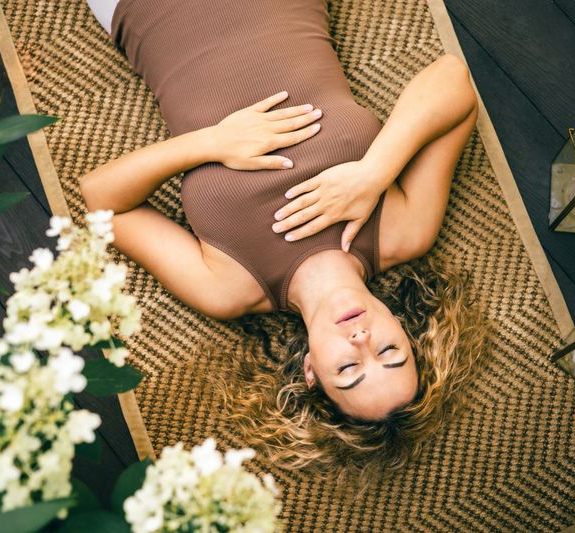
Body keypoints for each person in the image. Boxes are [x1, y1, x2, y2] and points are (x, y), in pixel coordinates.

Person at [81, 0, 489, 476]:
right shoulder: (403, 231)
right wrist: (374, 171)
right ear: (406, 331)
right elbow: (452, 80)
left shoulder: (230, 287)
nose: (362, 340)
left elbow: (103, 200)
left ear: (312, 372)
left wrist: (212, 142)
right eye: (389, 352)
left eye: (349, 370)